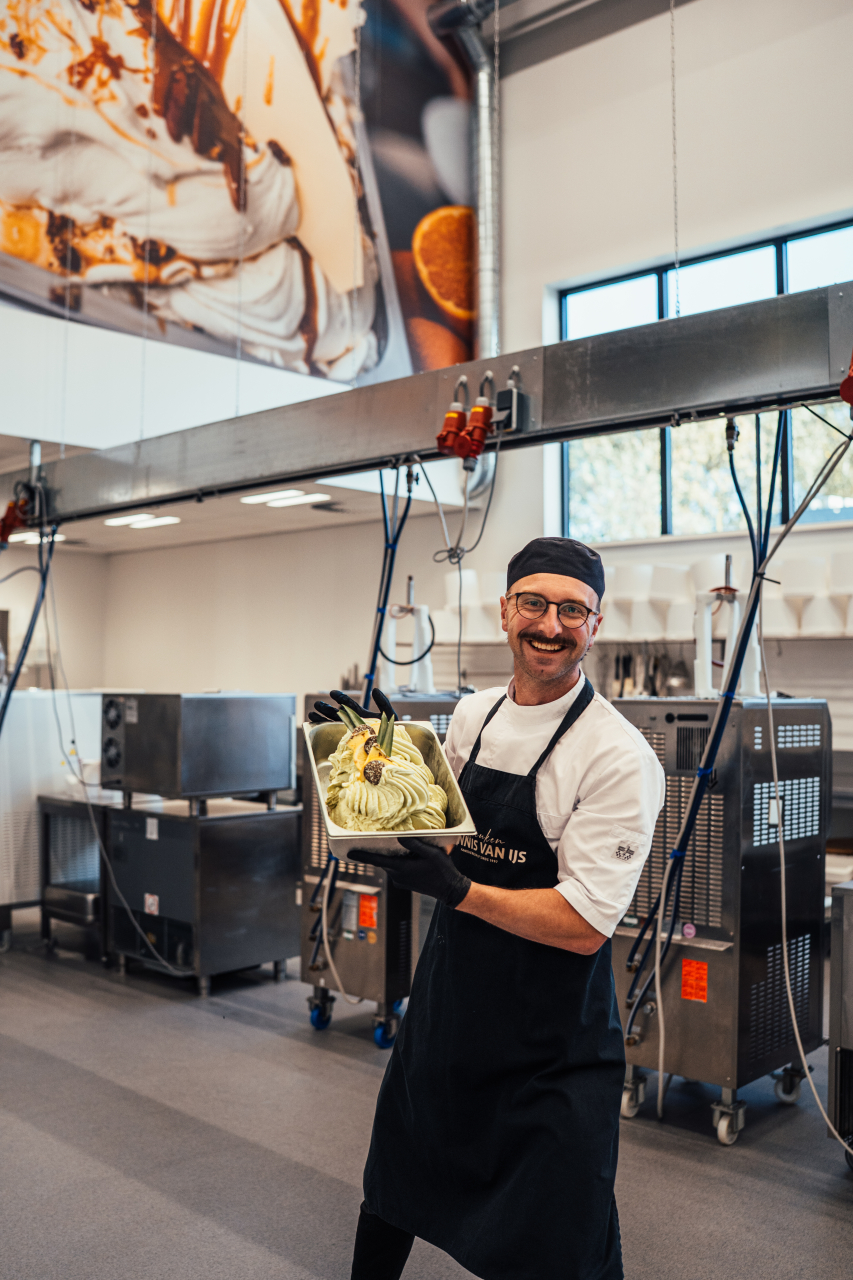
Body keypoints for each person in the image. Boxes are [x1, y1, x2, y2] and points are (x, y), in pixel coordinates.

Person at [345, 536, 666, 1280]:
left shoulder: (616, 756)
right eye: (533, 603)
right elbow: (442, 835)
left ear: (595, 624)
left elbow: (584, 928)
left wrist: (459, 890)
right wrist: (375, 765)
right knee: (396, 1179)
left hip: (548, 1042)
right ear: (504, 610)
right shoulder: (473, 715)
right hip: (450, 1007)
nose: (550, 625)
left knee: (558, 1234)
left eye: (571, 610)